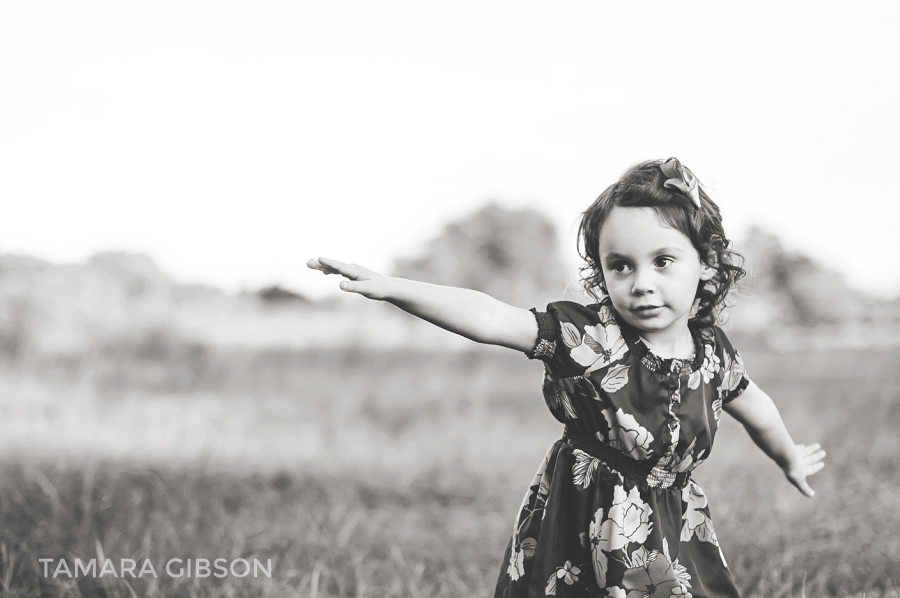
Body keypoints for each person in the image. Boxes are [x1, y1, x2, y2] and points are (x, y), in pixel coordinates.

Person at [307, 158, 826, 598]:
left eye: (663, 261)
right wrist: (392, 286)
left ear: (706, 266)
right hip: (584, 516)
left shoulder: (712, 353)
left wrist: (788, 456)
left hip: (673, 521)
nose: (641, 283)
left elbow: (755, 405)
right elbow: (491, 317)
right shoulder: (590, 338)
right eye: (620, 266)